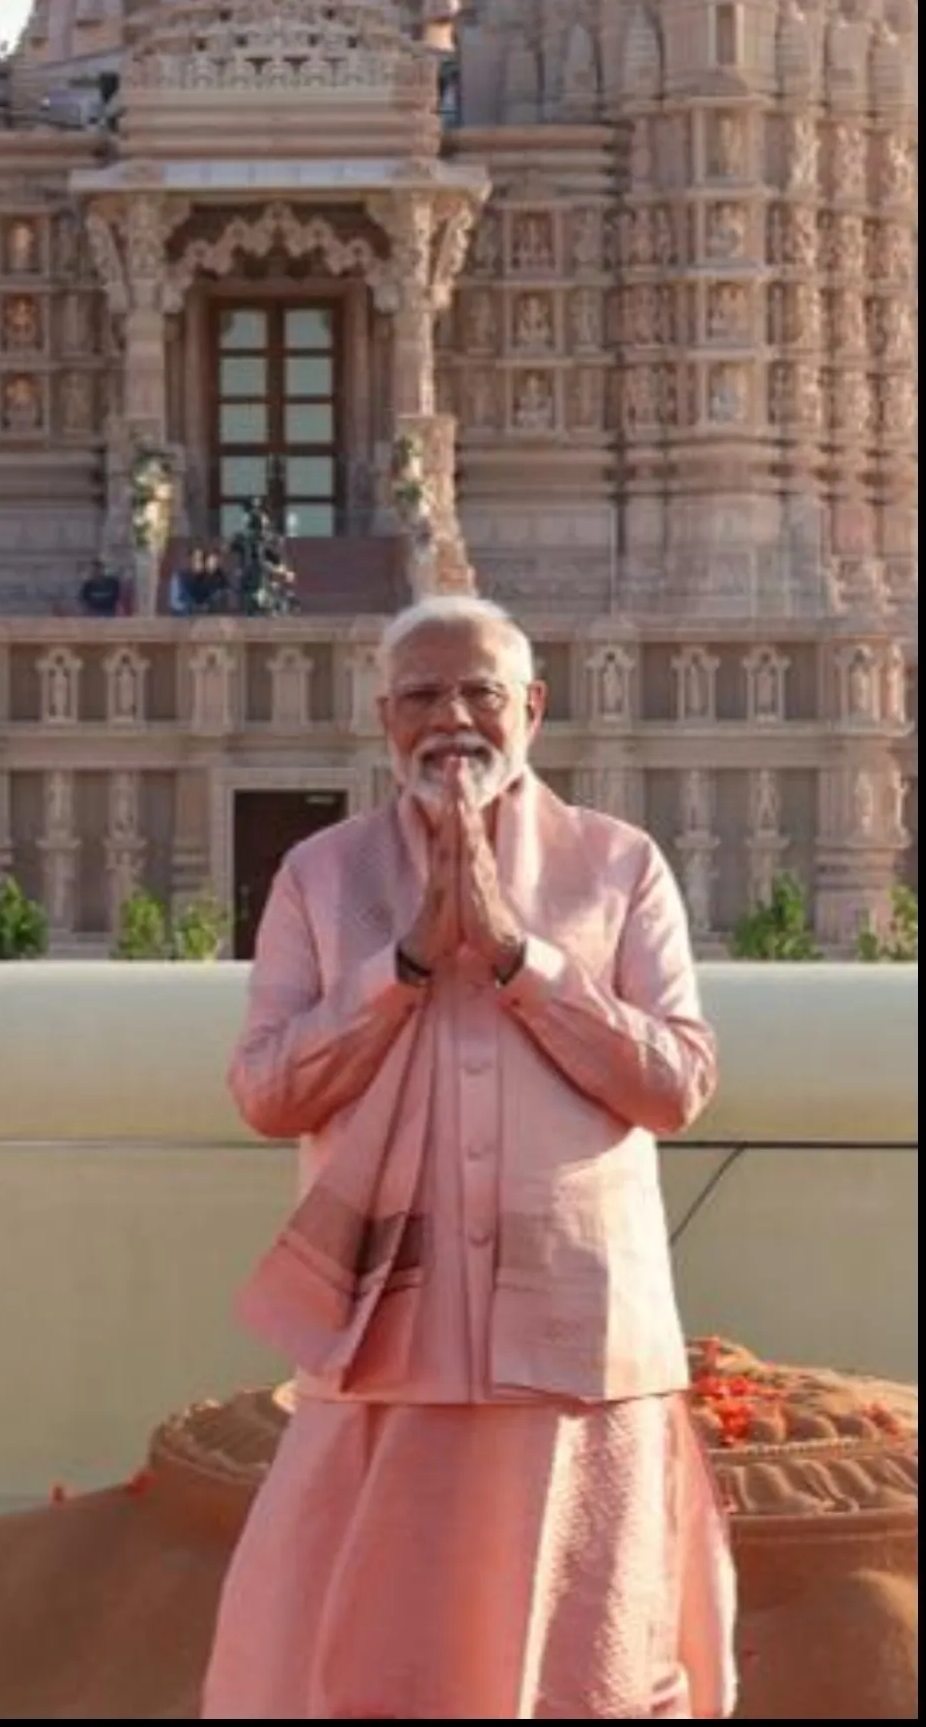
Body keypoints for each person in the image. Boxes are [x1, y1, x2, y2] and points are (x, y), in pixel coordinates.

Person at [201, 595, 737, 1722]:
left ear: (532, 710)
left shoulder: (618, 867)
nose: (453, 720)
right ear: (383, 719)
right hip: (388, 1337)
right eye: (422, 696)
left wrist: (516, 958)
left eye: (480, 692)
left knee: (581, 1661)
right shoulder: (323, 876)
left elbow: (677, 1083)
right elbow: (268, 1091)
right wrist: (399, 966)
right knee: (359, 1655)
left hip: (578, 1334)